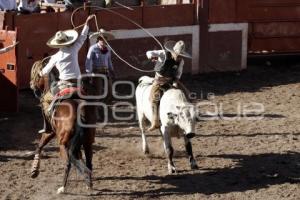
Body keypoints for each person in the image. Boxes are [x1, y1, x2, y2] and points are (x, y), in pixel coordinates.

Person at [37, 15, 94, 133]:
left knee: (46, 100)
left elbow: (45, 72)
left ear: (56, 44)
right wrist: (87, 23)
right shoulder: (73, 49)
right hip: (78, 83)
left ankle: (48, 127)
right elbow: (82, 37)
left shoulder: (55, 57)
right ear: (67, 40)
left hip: (62, 84)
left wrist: (40, 72)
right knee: (89, 99)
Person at [146, 40, 191, 131]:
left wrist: (175, 83)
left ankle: (188, 116)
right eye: (177, 55)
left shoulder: (180, 62)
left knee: (187, 95)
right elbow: (149, 52)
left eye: (180, 56)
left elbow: (178, 73)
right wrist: (151, 57)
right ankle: (155, 121)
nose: (178, 57)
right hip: (159, 81)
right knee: (154, 98)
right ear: (173, 52)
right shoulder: (163, 54)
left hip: (171, 81)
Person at [85, 29, 115, 102]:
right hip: (97, 72)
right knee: (98, 91)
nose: (103, 40)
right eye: (102, 38)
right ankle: (98, 104)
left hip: (106, 72)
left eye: (105, 39)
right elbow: (88, 61)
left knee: (110, 91)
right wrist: (89, 73)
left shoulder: (108, 49)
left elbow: (109, 60)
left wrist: (112, 70)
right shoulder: (93, 48)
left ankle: (107, 104)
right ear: (98, 39)